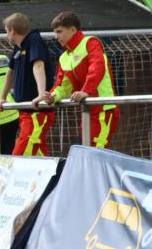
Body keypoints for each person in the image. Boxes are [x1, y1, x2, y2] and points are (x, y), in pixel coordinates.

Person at [38, 11, 119, 149]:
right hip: (87, 110)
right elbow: (62, 86)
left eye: (59, 31)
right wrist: (52, 96)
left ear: (73, 30)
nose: (56, 37)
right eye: (55, 33)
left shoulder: (91, 42)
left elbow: (97, 67)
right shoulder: (64, 57)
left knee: (96, 153)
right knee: (90, 152)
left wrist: (86, 91)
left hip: (103, 108)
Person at [0, 13, 56, 156]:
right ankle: (56, 178)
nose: (6, 35)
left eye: (6, 31)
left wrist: (41, 93)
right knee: (40, 155)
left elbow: (38, 65)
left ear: (12, 30)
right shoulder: (18, 47)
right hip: (25, 112)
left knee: (19, 156)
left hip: (36, 112)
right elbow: (10, 72)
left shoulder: (34, 40)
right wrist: (2, 98)